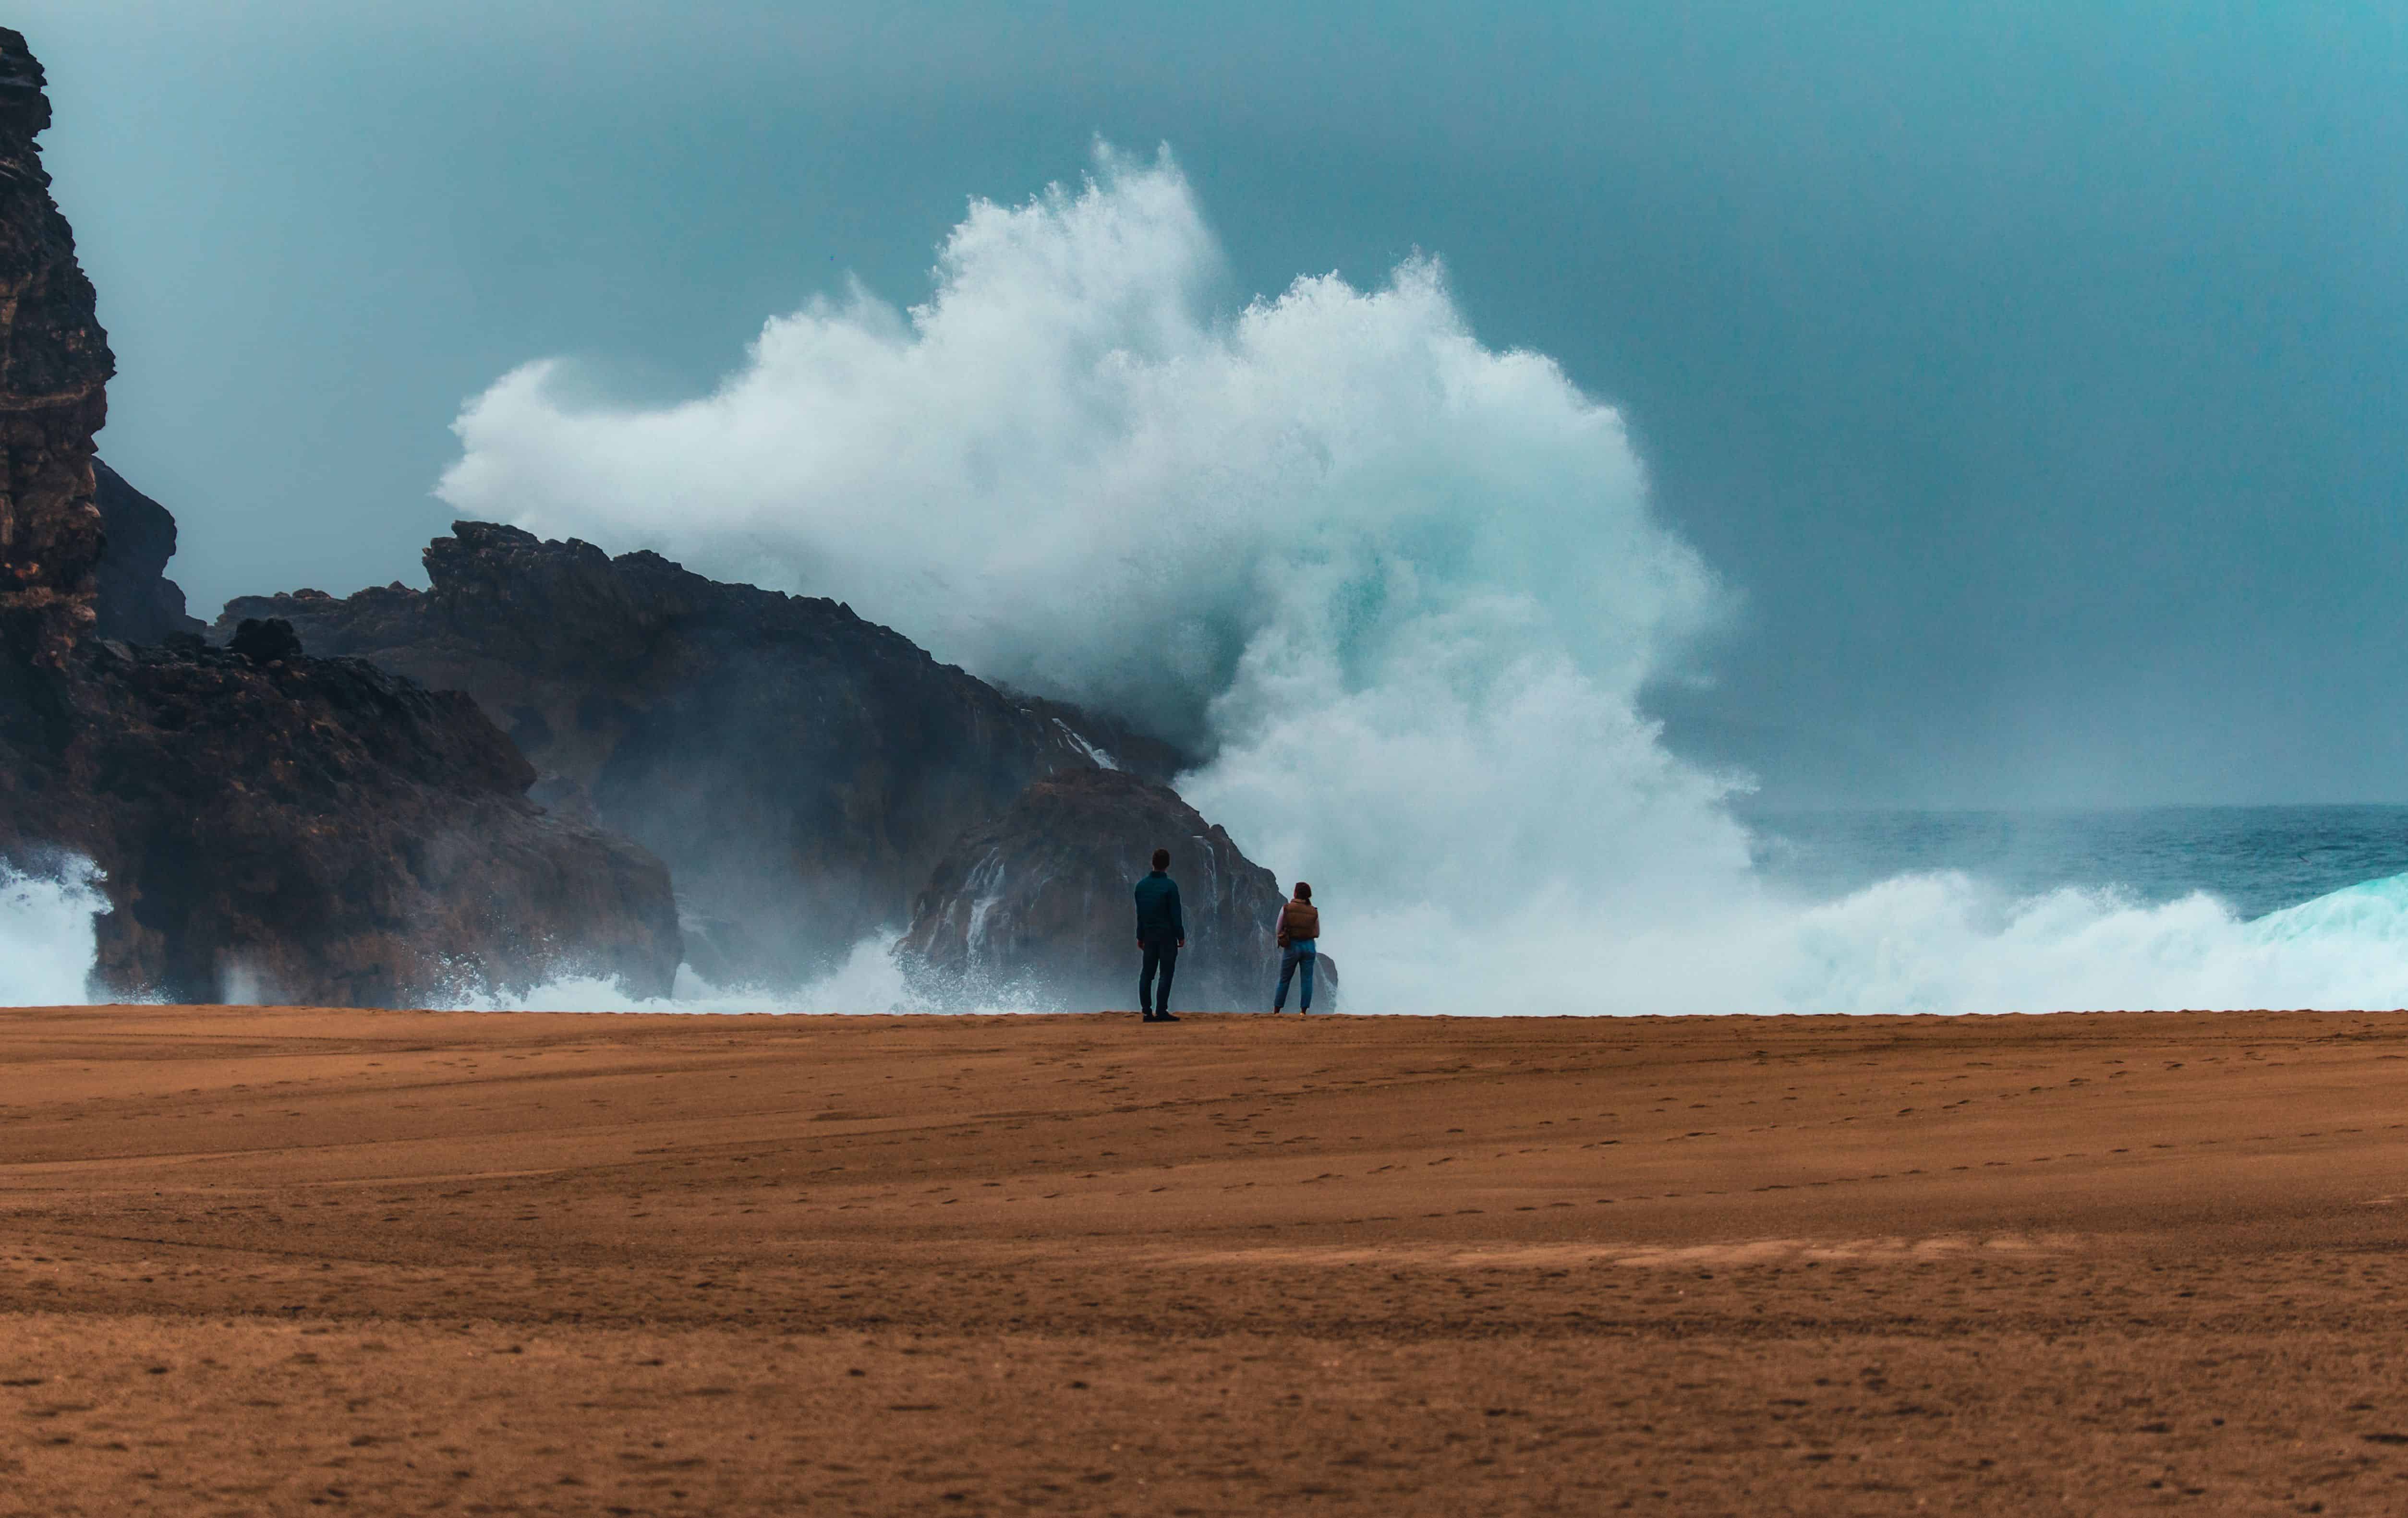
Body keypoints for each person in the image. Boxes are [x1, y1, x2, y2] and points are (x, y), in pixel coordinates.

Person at [1133, 846, 1185, 1023]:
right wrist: (1181, 935)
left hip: (1149, 935)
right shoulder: (1170, 887)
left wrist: (1140, 936)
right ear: (1167, 865)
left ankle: (1147, 1012)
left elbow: (1140, 915)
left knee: (1147, 973)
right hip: (1167, 936)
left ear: (1152, 863)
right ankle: (1161, 1010)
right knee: (1166, 973)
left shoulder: (1141, 886)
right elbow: (1176, 914)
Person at [1272, 881, 1319, 1014]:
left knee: (1285, 979)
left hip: (1293, 946)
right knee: (1307, 980)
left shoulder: (1287, 908)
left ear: (1296, 893)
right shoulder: (1313, 911)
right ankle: (1303, 1011)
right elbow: (1317, 932)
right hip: (1309, 946)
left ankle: (1277, 1010)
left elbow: (1278, 928)